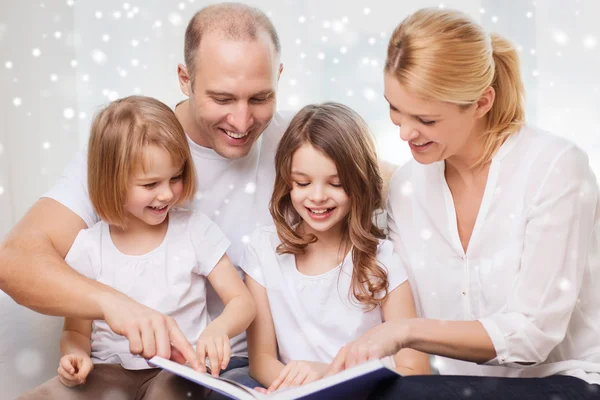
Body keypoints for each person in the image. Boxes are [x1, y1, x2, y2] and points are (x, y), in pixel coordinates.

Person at [0, 2, 292, 392]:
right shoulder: (128, 149)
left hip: (221, 369)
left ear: (279, 77)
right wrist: (114, 304)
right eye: (222, 99)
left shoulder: (298, 145)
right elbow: (15, 262)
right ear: (184, 79)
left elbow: (372, 177)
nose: (241, 122)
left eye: (259, 99)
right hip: (117, 367)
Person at [327, 8, 600, 399]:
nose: (405, 132)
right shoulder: (407, 188)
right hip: (458, 387)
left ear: (481, 102)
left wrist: (405, 331)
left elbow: (531, 336)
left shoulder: (556, 169)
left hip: (566, 381)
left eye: (426, 119)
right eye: (394, 108)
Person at [18, 96, 256, 400]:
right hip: (109, 371)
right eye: (150, 184)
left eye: (176, 177)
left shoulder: (195, 230)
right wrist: (74, 356)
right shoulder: (90, 246)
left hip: (180, 371)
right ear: (113, 181)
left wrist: (218, 329)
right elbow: (76, 330)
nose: (167, 193)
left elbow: (242, 301)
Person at [241, 102, 430, 394]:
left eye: (336, 183)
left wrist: (326, 377)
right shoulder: (263, 250)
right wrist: (292, 390)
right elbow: (262, 361)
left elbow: (414, 369)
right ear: (287, 182)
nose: (317, 197)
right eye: (303, 183)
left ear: (359, 183)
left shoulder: (383, 260)